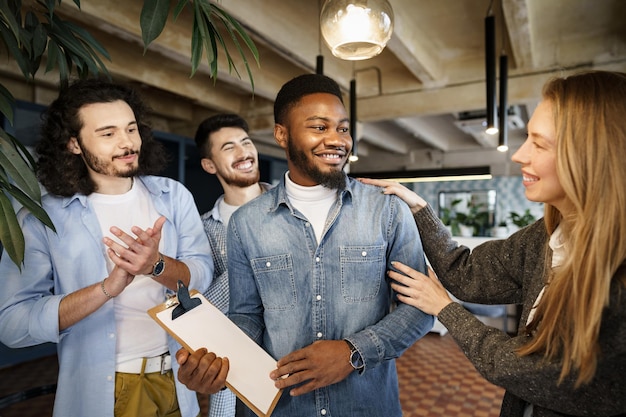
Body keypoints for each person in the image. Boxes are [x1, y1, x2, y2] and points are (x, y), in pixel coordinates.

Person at [360, 70, 626, 416]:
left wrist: (444, 308)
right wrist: (420, 208)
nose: (519, 155)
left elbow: (534, 372)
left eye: (539, 143)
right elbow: (467, 273)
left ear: (590, 155)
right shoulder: (544, 238)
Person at [176, 73, 434, 417]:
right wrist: (216, 363)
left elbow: (420, 309)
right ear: (282, 134)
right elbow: (247, 316)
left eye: (343, 128)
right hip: (280, 408)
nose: (336, 139)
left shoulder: (386, 211)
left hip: (366, 406)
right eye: (319, 127)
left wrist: (352, 351)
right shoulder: (246, 223)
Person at [0, 78, 214, 417]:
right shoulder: (43, 218)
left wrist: (156, 265)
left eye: (131, 129)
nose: (127, 143)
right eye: (108, 133)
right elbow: (12, 323)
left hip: (177, 380)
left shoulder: (173, 196)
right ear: (74, 144)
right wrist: (105, 289)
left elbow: (202, 272)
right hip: (105, 388)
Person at [194, 113, 272, 417]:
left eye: (246, 142)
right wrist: (256, 257)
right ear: (209, 165)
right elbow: (201, 309)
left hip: (305, 367)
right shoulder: (203, 230)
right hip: (239, 375)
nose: (243, 153)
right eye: (228, 147)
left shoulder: (297, 207)